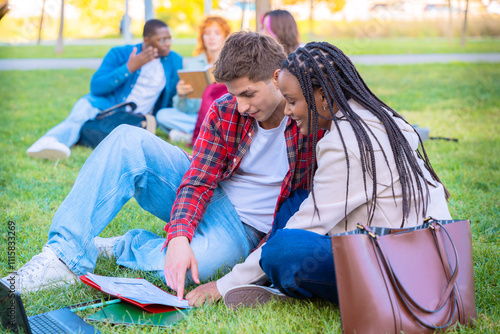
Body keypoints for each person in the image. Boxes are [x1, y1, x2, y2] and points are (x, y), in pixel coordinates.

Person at [4, 32, 315, 303]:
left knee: (199, 267)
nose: (242, 106)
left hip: (246, 231)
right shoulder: (226, 110)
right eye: (235, 95)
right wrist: (180, 236)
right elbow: (198, 180)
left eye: (248, 94)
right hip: (213, 196)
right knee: (128, 140)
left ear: (277, 77)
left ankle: (119, 246)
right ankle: (62, 257)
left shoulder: (310, 119)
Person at [185, 42, 452, 307]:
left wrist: (223, 285)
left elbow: (310, 224)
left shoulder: (346, 144)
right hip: (405, 244)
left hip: (406, 271)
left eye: (292, 101)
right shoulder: (363, 115)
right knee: (296, 201)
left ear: (322, 96)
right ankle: (269, 279)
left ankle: (274, 279)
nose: (288, 111)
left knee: (283, 252)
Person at [26, 19, 182, 160]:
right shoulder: (120, 53)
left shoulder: (175, 61)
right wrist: (129, 67)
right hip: (106, 106)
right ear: (146, 40)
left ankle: (67, 139)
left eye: (169, 38)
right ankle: (49, 142)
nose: (168, 43)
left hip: (134, 119)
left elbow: (170, 101)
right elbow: (96, 87)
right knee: (83, 109)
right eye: (162, 39)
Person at [156, 16, 231, 144]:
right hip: (197, 117)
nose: (211, 37)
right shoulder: (193, 64)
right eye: (207, 33)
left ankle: (193, 136)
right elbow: (186, 109)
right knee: (162, 115)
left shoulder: (232, 62)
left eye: (217, 33)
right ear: (202, 37)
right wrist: (181, 95)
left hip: (224, 116)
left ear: (225, 37)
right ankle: (205, 134)